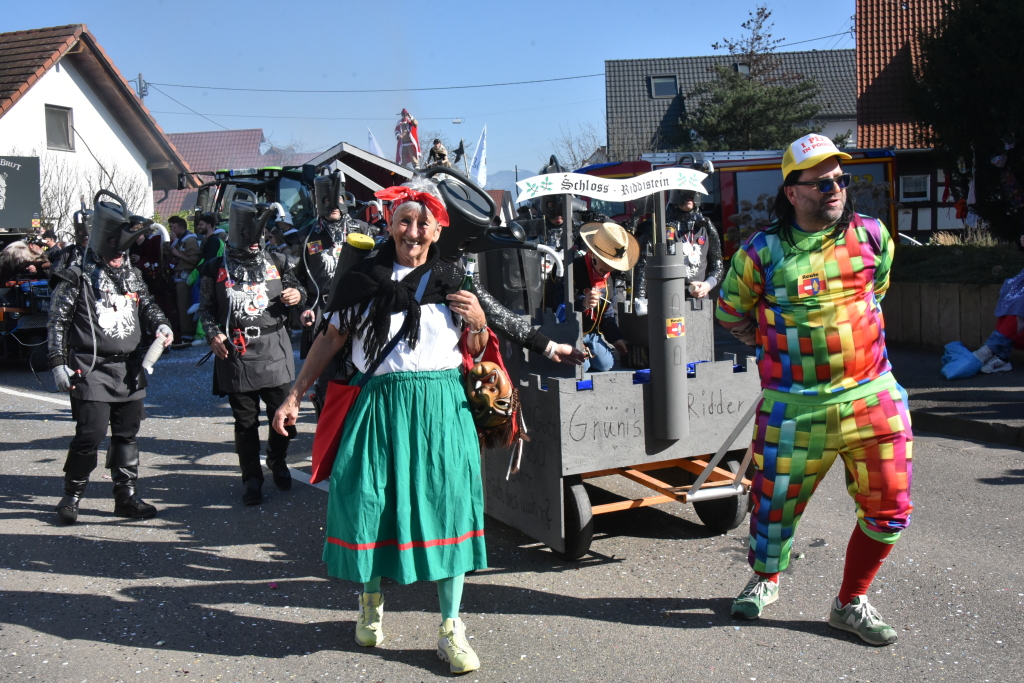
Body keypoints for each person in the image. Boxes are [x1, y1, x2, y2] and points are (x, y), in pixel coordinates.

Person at [271, 177, 583, 674]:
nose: (413, 232)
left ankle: (451, 627)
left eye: (423, 224)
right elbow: (329, 342)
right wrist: (293, 395)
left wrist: (483, 323)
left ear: (437, 230)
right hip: (380, 407)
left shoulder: (454, 280)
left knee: (449, 508)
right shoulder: (361, 279)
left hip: (443, 408)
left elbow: (492, 336)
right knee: (373, 503)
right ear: (389, 225)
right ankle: (371, 599)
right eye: (404, 222)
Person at [716, 134, 912, 646]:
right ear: (792, 191)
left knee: (890, 505)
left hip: (873, 398)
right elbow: (730, 313)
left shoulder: (872, 236)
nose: (836, 189)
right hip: (792, 406)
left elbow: (879, 288)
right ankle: (766, 579)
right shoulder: (760, 252)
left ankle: (850, 602)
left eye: (841, 180)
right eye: (822, 182)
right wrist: (782, 348)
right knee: (772, 505)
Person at [47, 196, 173, 524]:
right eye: (116, 253)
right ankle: (71, 496)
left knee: (127, 434)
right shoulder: (77, 276)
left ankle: (126, 497)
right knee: (90, 433)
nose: (120, 258)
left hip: (130, 368)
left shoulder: (132, 276)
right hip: (91, 368)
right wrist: (58, 363)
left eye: (124, 253)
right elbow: (57, 321)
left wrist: (160, 323)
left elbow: (147, 305)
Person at [197, 197, 306, 506]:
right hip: (237, 353)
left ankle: (277, 459)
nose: (257, 243)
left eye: (260, 238)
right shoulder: (213, 268)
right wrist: (213, 333)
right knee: (245, 423)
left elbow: (302, 291)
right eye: (251, 237)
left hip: (274, 348)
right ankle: (251, 478)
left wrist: (297, 295)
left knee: (284, 416)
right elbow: (205, 310)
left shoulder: (278, 261)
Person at [299, 170, 378, 413]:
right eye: (326, 202)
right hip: (323, 314)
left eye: (337, 200)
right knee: (327, 380)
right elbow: (296, 277)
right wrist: (303, 304)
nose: (333, 206)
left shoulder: (364, 230)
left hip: (361, 312)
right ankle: (328, 433)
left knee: (364, 374)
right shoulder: (307, 236)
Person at [634, 189, 723, 300]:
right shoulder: (657, 226)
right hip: (667, 299)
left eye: (692, 197)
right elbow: (642, 265)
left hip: (698, 300)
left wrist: (708, 284)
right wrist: (640, 297)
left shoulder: (705, 226)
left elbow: (717, 265)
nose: (690, 199)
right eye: (686, 196)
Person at [167, 216, 200, 344]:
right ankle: (184, 331)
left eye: (174, 227)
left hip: (186, 277)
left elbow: (194, 260)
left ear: (181, 227)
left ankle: (188, 333)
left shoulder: (190, 241)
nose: (172, 230)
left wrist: (178, 254)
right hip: (178, 277)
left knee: (184, 305)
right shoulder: (180, 240)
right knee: (180, 306)